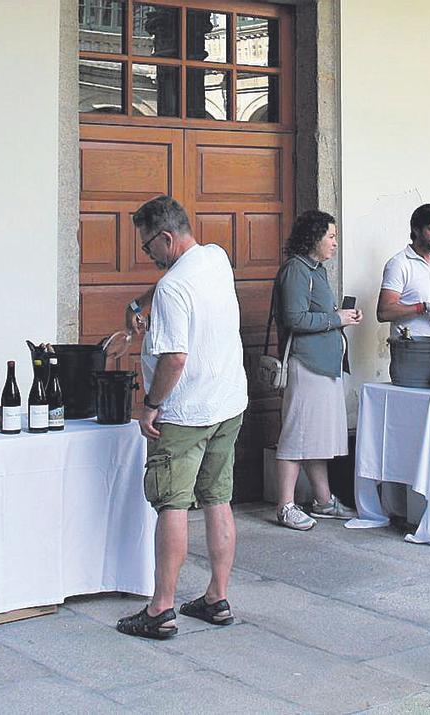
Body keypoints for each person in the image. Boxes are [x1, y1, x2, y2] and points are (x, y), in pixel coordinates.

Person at [116, 196, 248, 640]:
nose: (146, 254)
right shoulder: (215, 257)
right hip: (228, 402)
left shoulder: (173, 287)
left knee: (172, 503)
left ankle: (161, 608)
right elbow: (174, 279)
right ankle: (217, 597)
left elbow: (173, 358)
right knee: (217, 498)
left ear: (167, 237)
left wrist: (150, 405)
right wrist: (141, 300)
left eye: (148, 246)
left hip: (186, 411)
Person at [272, 211, 363, 530]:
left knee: (315, 436)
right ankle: (285, 505)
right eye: (331, 236)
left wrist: (342, 317)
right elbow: (294, 318)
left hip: (324, 366)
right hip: (307, 365)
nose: (335, 243)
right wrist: (336, 319)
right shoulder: (297, 270)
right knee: (297, 434)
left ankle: (323, 500)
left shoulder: (317, 270)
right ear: (313, 237)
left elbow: (320, 313)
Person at [377, 203, 430, 337]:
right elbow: (384, 312)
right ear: (416, 230)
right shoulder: (399, 264)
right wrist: (423, 307)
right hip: (409, 348)